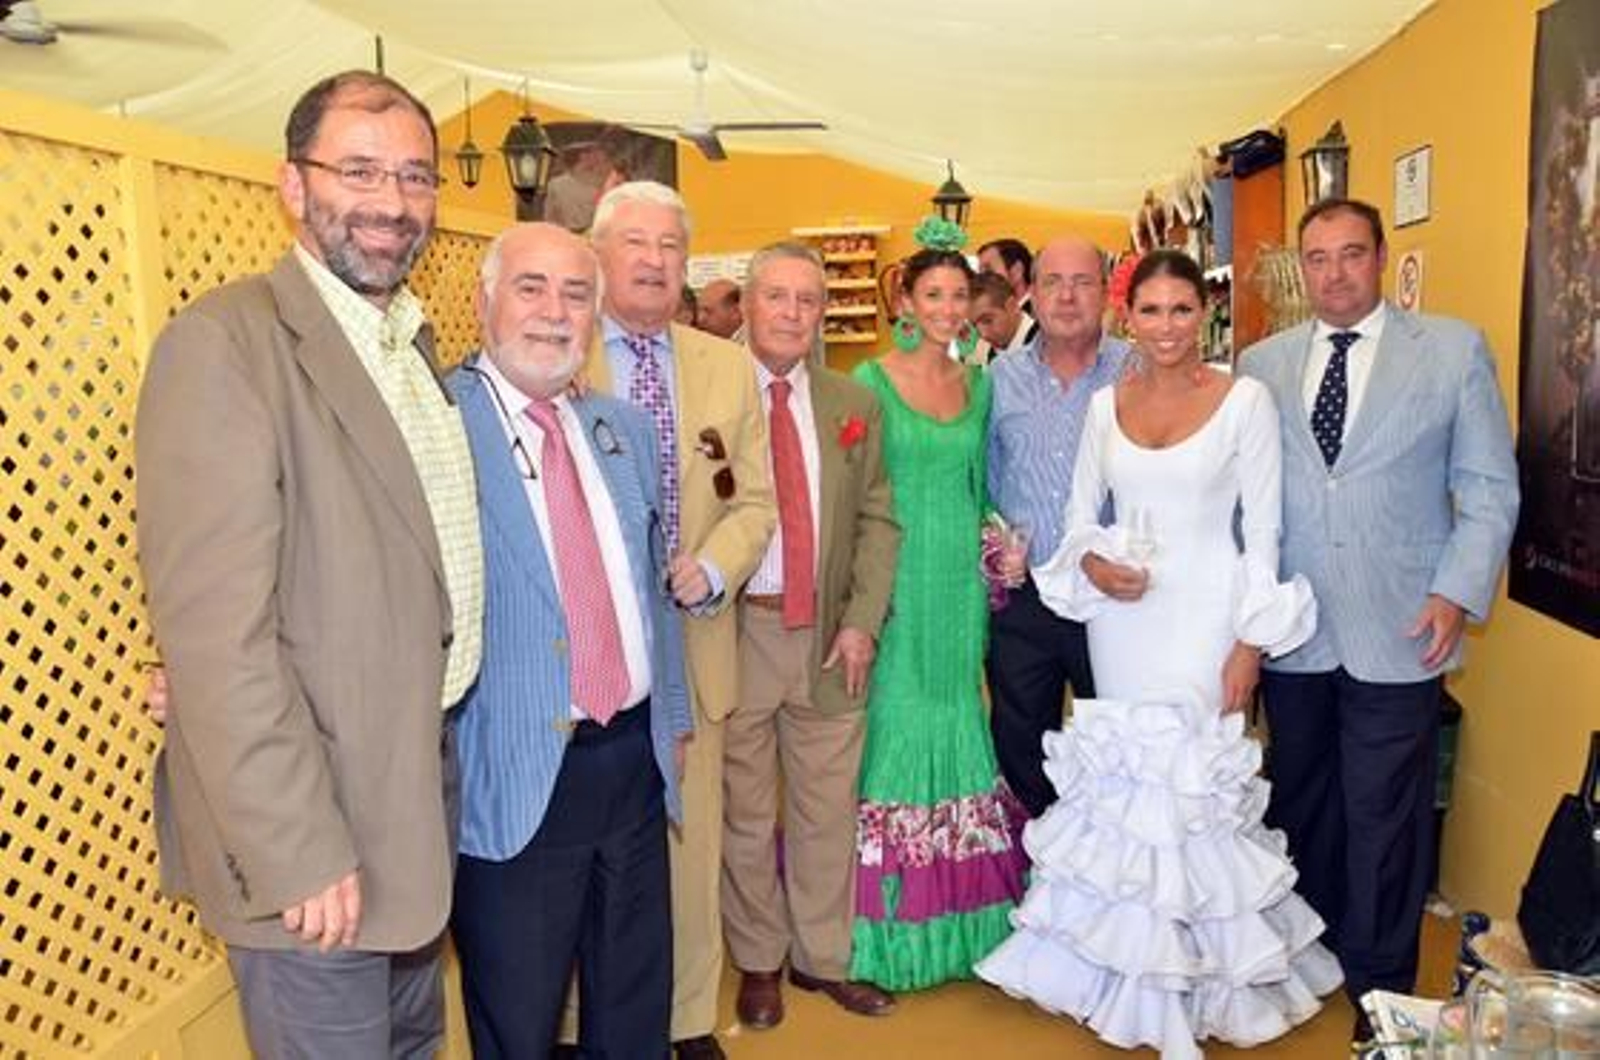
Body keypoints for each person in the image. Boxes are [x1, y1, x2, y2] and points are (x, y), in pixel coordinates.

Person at [134, 71, 483, 1057]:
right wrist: (296, 852)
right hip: (315, 833)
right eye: (359, 170)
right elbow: (217, 640)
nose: (391, 202)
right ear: (293, 186)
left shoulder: (405, 345)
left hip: (411, 793)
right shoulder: (223, 347)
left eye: (415, 177)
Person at [978, 249, 1342, 1058]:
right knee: (1130, 796)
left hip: (1207, 617)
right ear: (1127, 316)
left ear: (1196, 315)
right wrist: (1095, 566)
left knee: (1195, 795)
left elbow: (1266, 533)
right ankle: (1127, 982)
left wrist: (1251, 640)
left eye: (1184, 310)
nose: (1169, 327)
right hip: (1121, 620)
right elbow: (1078, 522)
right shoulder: (1107, 406)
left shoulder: (1245, 399)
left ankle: (1212, 980)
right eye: (1153, 311)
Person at [1237, 198, 1519, 1033]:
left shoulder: (1452, 351)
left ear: (1382, 258)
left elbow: (1489, 489)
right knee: (1304, 800)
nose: (1334, 274)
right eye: (1317, 258)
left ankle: (1381, 986)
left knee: (1386, 815)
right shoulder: (1260, 364)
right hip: (1295, 631)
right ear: (1301, 267)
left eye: (1351, 254)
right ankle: (1313, 949)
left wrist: (1455, 592)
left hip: (1405, 627)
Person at [447, 223, 693, 1058]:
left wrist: (675, 721)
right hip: (512, 772)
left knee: (632, 1009)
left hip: (630, 761)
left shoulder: (620, 427)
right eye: (531, 287)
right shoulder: (442, 422)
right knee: (519, 1018)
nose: (554, 312)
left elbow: (654, 589)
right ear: (484, 299)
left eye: (575, 293)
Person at [585, 180, 776, 1060]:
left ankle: (689, 1021)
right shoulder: (558, 349)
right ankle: (576, 1022)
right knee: (585, 854)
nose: (656, 261)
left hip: (694, 643)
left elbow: (756, 502)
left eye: (670, 246)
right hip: (586, 653)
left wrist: (717, 567)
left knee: (690, 850)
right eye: (637, 243)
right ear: (599, 254)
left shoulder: (725, 363)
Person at [722, 242, 900, 1031]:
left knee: (829, 806)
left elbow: (877, 520)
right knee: (747, 812)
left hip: (832, 638)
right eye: (778, 298)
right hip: (738, 636)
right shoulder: (713, 396)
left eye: (808, 300)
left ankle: (821, 957)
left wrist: (863, 621)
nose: (794, 314)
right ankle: (758, 959)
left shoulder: (849, 401)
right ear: (748, 306)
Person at [848, 218, 1027, 992]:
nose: (949, 308)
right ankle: (885, 932)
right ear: (907, 302)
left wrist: (1000, 555)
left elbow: (978, 489)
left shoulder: (981, 385)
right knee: (895, 729)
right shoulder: (869, 382)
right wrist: (859, 597)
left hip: (958, 587)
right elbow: (855, 496)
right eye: (934, 295)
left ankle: (968, 918)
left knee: (962, 720)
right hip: (895, 582)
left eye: (960, 296)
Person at [984, 237, 1131, 818]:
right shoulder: (998, 382)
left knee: (1120, 748)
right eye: (1052, 282)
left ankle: (1115, 890)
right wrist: (993, 545)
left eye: (1083, 281)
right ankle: (1036, 886)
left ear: (1106, 291)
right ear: (1030, 293)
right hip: (1026, 600)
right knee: (1023, 751)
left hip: (1115, 600)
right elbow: (984, 484)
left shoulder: (1139, 371)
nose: (1067, 296)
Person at [969, 270, 1038, 363]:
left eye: (987, 320)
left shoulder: (1048, 347)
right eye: (974, 325)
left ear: (1012, 306)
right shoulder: (991, 353)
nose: (983, 335)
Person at [977, 236, 1036, 320]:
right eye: (980, 272)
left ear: (1016, 272)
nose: (980, 279)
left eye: (988, 270)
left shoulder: (1038, 314)